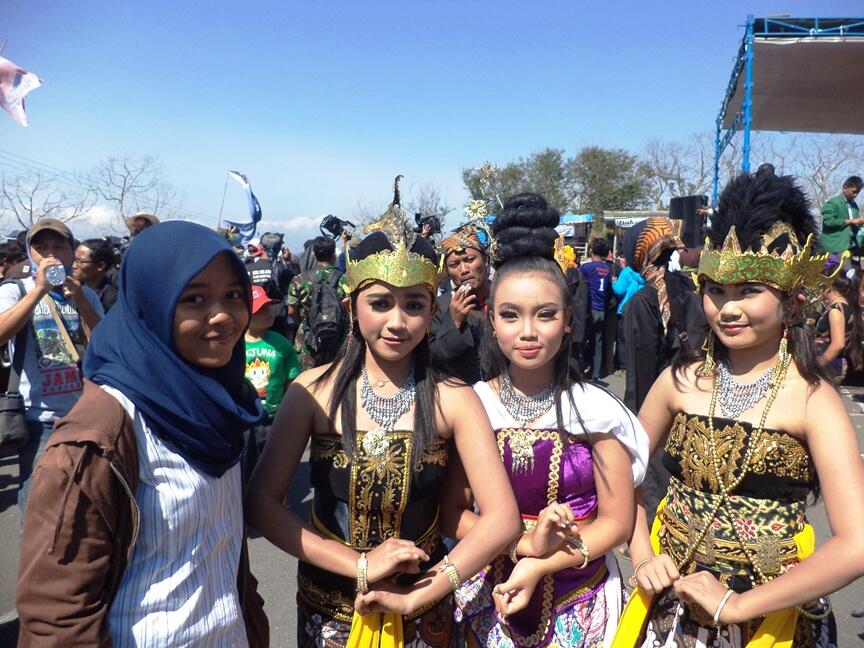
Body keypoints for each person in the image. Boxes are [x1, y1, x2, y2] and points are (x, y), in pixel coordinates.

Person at [246, 178, 520, 647]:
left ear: (432, 308)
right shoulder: (312, 392)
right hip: (329, 610)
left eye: (414, 305)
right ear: (353, 308)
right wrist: (359, 566)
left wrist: (425, 591)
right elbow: (262, 504)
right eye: (380, 303)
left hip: (424, 610)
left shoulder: (454, 397)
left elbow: (501, 519)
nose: (397, 322)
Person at [616, 169, 864, 647]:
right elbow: (617, 472)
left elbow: (855, 544)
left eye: (749, 290)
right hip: (671, 616)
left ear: (791, 298)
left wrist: (738, 604)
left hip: (774, 620)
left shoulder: (814, 399)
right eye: (716, 290)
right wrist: (644, 554)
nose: (728, 309)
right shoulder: (680, 379)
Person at [16, 220, 268, 645]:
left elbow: (221, 552)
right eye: (193, 298)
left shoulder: (221, 406)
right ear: (151, 305)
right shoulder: (100, 435)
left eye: (233, 295)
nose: (223, 315)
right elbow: (58, 612)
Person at [445, 193, 649, 648]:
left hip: (581, 598)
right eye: (511, 316)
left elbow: (615, 521)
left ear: (570, 321)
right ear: (491, 322)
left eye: (546, 314)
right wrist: (524, 545)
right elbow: (452, 513)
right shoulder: (472, 405)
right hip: (489, 600)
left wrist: (544, 562)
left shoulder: (594, 409)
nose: (529, 332)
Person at [0, 218, 103, 520]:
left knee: (85, 508)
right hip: (39, 420)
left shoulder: (85, 294)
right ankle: (36, 567)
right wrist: (39, 291)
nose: (51, 253)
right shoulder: (15, 290)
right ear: (30, 254)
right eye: (41, 247)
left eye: (59, 246)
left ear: (72, 252)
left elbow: (106, 344)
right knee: (38, 511)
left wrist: (82, 301)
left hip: (87, 416)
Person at [242, 284, 301, 483]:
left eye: (268, 307)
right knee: (247, 474)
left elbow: (292, 381)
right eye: (260, 310)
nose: (268, 313)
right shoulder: (235, 345)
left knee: (275, 474)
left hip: (274, 421)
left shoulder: (281, 343)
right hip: (246, 422)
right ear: (247, 316)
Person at [429, 220, 493, 384]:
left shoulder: (506, 297)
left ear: (485, 259)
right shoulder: (439, 307)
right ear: (448, 271)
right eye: (455, 264)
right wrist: (454, 321)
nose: (464, 270)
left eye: (470, 259)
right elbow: (434, 359)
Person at [287, 235, 349, 370]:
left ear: (314, 254)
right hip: (337, 337)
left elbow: (291, 310)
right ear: (334, 254)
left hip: (307, 339)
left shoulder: (299, 280)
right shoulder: (345, 280)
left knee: (307, 381)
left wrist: (304, 323)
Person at [815, 268, 864, 384]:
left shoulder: (836, 310)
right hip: (832, 364)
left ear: (829, 285)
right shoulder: (843, 307)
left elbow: (838, 344)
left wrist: (817, 365)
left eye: (820, 284)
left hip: (830, 365)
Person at [580, 238, 613, 380]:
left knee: (582, 340)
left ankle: (580, 371)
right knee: (597, 343)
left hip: (590, 309)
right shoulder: (607, 269)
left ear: (591, 250)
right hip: (601, 310)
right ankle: (596, 374)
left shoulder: (586, 268)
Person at [819, 175, 862, 257]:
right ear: (845, 188)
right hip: (835, 248)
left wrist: (860, 224)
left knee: (856, 269)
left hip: (851, 247)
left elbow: (857, 227)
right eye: (854, 191)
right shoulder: (832, 203)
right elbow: (829, 221)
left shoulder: (854, 206)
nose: (856, 195)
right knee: (848, 269)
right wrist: (851, 221)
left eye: (858, 192)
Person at [72, 237, 119, 313]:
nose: (74, 266)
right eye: (74, 260)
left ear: (100, 266)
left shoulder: (113, 299)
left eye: (80, 261)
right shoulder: (72, 289)